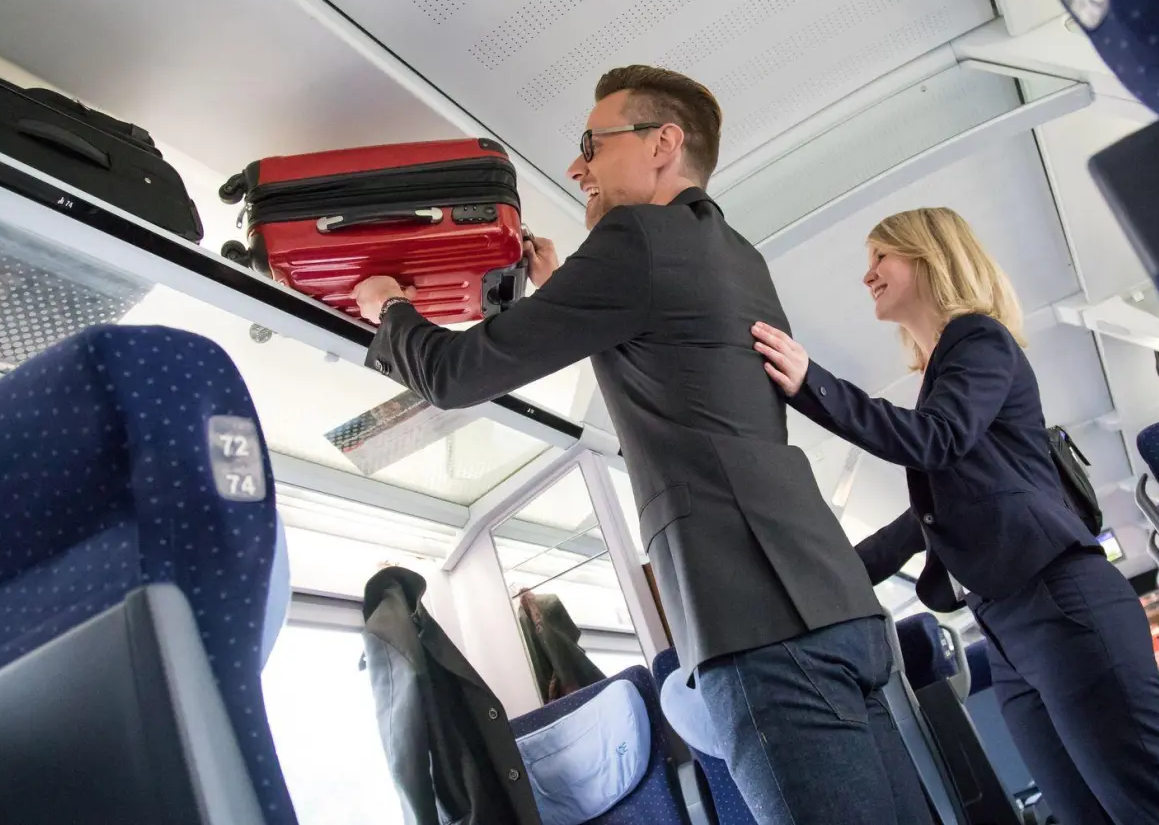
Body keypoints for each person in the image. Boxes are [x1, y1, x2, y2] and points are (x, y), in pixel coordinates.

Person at [350, 65, 931, 825]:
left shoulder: (634, 241)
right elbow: (672, 366)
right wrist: (562, 285)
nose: (575, 165)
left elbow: (457, 374)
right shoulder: (735, 252)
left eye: (591, 142)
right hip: (838, 607)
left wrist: (388, 307)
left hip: (754, 620)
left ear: (663, 143)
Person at [751, 207, 1159, 825]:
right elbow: (926, 519)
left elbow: (934, 439)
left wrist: (816, 384)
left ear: (928, 257)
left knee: (1152, 816)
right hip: (1008, 627)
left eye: (880, 258)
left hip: (1061, 607)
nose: (867, 276)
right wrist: (827, 575)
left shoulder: (979, 340)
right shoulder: (944, 372)